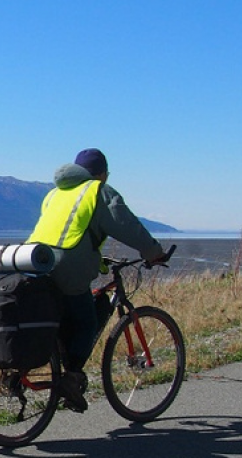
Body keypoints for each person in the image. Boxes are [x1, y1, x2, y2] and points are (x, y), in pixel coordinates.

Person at [27, 148, 165, 412]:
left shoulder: (55, 193)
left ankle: (51, 360)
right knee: (86, 320)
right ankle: (71, 377)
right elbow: (127, 225)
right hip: (67, 265)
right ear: (102, 174)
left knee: (59, 314)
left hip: (35, 260)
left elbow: (70, 232)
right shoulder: (98, 190)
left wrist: (97, 262)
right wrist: (153, 252)